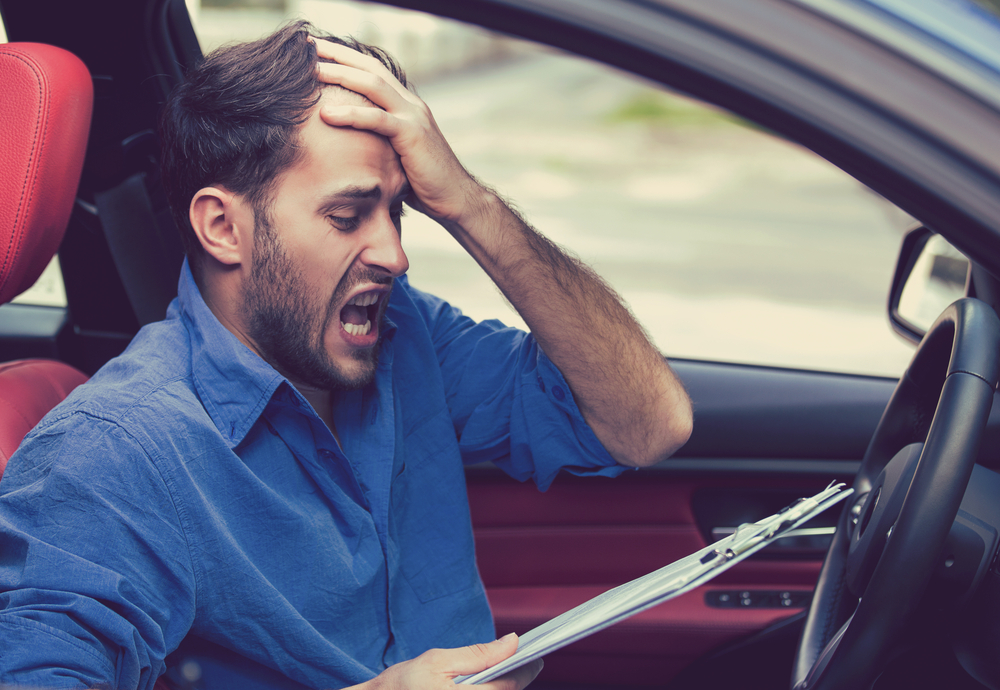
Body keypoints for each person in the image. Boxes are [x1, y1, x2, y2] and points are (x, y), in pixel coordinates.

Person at [0, 21, 692, 690]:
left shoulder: (404, 337)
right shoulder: (114, 451)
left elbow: (647, 426)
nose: (395, 255)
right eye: (346, 215)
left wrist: (468, 204)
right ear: (222, 228)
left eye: (398, 210)